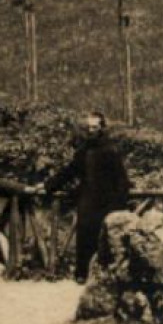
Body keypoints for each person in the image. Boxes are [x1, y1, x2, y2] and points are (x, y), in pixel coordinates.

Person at [42, 111, 131, 283]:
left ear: (102, 128)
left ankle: (104, 276)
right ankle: (82, 275)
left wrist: (118, 206)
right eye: (88, 127)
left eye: (95, 127)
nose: (91, 131)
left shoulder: (111, 150)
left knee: (105, 240)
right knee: (84, 237)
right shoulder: (84, 150)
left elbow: (122, 181)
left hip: (107, 203)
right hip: (88, 201)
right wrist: (48, 185)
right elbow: (70, 171)